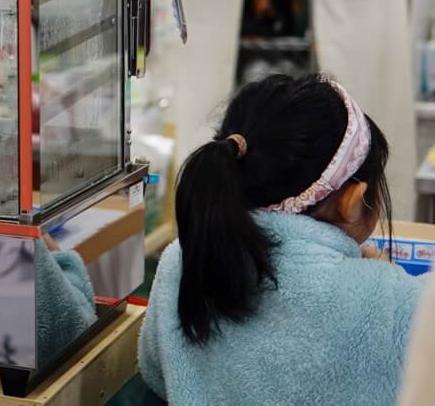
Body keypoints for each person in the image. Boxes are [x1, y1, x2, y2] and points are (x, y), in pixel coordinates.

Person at [139, 74, 426, 405]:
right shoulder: (391, 299)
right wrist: (385, 278)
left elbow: (155, 372)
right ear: (352, 201)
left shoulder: (183, 261)